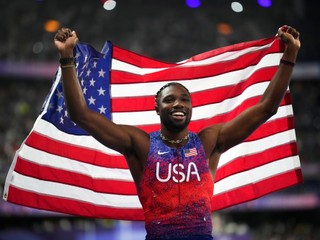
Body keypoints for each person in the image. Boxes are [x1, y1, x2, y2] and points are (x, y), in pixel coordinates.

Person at [54, 25, 300, 240]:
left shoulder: (209, 141)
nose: (178, 104)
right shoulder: (139, 144)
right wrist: (67, 57)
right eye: (169, 99)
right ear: (157, 108)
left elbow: (266, 108)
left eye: (184, 99)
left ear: (192, 107)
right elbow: (81, 115)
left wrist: (290, 54)